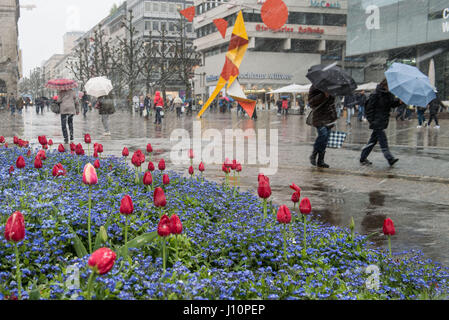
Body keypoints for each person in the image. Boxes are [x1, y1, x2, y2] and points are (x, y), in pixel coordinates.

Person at [360, 79, 400, 167]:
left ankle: (363, 157)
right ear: (385, 85)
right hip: (377, 121)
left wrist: (399, 102)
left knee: (372, 141)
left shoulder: (388, 94)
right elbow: (369, 109)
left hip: (383, 120)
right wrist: (372, 121)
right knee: (383, 140)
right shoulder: (375, 94)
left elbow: (391, 104)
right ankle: (389, 158)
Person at [308, 85, 337, 168]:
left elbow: (332, 104)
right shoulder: (315, 87)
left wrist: (334, 117)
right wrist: (323, 95)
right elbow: (311, 102)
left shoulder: (332, 87)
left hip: (329, 117)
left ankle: (320, 160)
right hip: (319, 117)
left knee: (325, 139)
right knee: (323, 135)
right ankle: (313, 155)